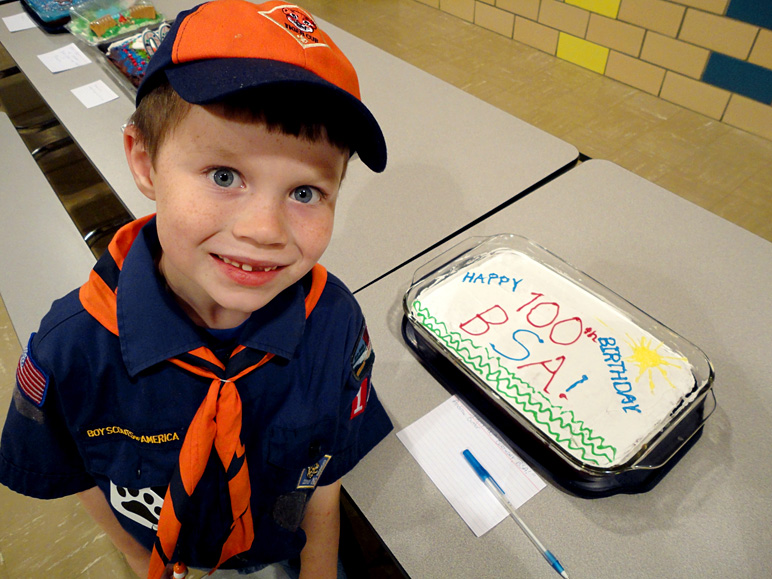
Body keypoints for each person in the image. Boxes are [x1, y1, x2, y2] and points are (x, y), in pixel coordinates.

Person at [0, 1, 393, 578]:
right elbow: (77, 469)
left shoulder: (335, 323)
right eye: (224, 176)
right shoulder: (71, 348)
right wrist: (138, 558)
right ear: (144, 161)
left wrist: (316, 570)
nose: (264, 230)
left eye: (305, 192)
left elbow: (323, 474)